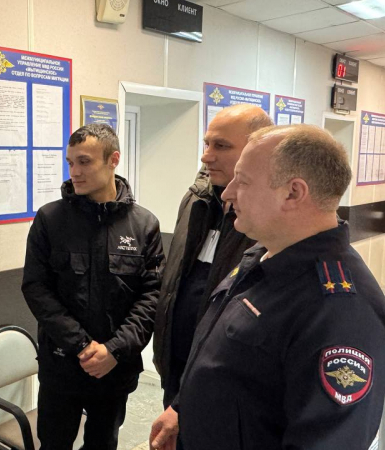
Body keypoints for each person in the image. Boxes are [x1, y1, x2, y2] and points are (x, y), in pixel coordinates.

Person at [152, 124, 385, 450]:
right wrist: (182, 409)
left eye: (243, 181)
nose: (227, 193)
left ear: (293, 193)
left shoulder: (340, 310)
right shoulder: (262, 254)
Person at [22, 123, 165, 450]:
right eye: (70, 162)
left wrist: (114, 350)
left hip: (116, 368)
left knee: (103, 444)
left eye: (84, 161)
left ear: (113, 160)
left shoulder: (143, 225)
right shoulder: (50, 219)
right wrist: (82, 346)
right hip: (62, 364)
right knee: (53, 444)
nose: (75, 171)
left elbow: (152, 296)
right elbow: (36, 288)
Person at [150, 104, 273, 446]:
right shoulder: (195, 199)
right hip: (176, 363)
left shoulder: (267, 216)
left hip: (223, 381)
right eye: (207, 144)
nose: (206, 156)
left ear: (256, 149)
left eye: (221, 146)